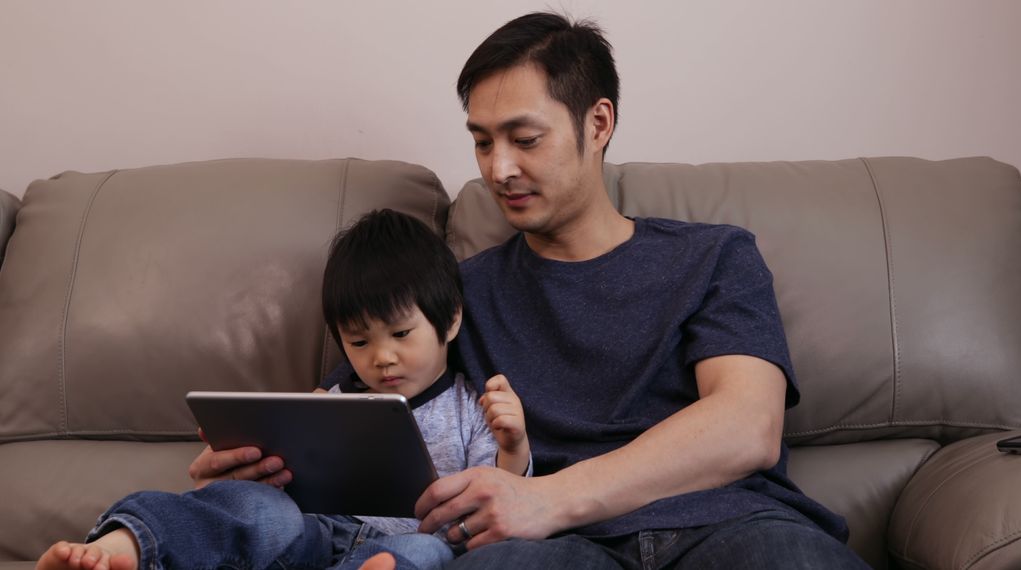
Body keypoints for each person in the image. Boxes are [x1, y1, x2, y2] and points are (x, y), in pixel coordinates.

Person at [190, 12, 871, 569]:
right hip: (550, 554)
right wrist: (260, 462)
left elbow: (748, 427)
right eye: (482, 142)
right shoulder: (460, 292)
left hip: (726, 529)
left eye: (524, 138)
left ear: (597, 124)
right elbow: (346, 419)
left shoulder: (715, 256)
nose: (499, 168)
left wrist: (551, 496)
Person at [36, 209, 531, 570]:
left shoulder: (473, 407)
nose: (382, 357)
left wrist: (514, 446)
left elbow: (500, 501)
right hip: (312, 534)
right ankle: (128, 545)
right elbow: (281, 487)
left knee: (424, 553)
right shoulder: (330, 404)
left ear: (449, 321)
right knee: (257, 510)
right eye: (358, 342)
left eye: (401, 335)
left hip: (409, 544)